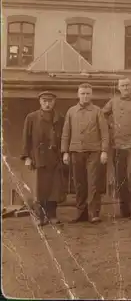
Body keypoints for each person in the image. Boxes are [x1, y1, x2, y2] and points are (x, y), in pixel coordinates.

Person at [61, 83, 109, 223]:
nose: (85, 96)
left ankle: (94, 213)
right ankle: (81, 213)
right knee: (79, 183)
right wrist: (65, 152)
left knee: (93, 182)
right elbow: (66, 133)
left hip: (94, 152)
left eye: (88, 93)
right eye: (82, 93)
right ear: (78, 94)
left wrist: (104, 151)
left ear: (91, 94)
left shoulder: (97, 111)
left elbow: (104, 133)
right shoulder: (71, 111)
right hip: (76, 151)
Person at [21, 91, 65, 226]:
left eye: (50, 101)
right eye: (44, 101)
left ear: (54, 102)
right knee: (40, 189)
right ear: (40, 102)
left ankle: (52, 215)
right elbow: (26, 139)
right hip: (38, 158)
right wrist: (27, 157)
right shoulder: (32, 117)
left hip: (55, 158)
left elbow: (64, 137)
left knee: (54, 188)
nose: (47, 104)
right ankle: (40, 217)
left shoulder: (59, 118)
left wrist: (63, 154)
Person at [102, 77, 131, 220]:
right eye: (122, 86)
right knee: (121, 179)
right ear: (118, 88)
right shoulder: (113, 101)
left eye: (127, 85)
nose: (125, 88)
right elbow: (102, 115)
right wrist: (110, 125)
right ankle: (124, 210)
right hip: (118, 145)